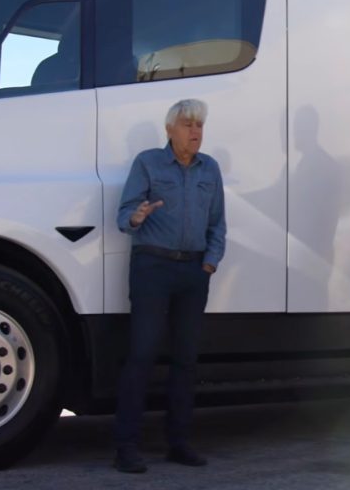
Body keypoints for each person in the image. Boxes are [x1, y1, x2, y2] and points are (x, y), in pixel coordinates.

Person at [112, 99, 226, 474]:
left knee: (186, 360)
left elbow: (218, 224)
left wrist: (209, 261)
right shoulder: (148, 163)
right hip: (152, 267)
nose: (196, 132)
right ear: (170, 129)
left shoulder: (210, 169)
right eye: (188, 124)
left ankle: (178, 442)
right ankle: (126, 447)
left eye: (200, 126)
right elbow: (123, 216)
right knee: (142, 354)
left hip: (194, 272)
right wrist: (137, 215)